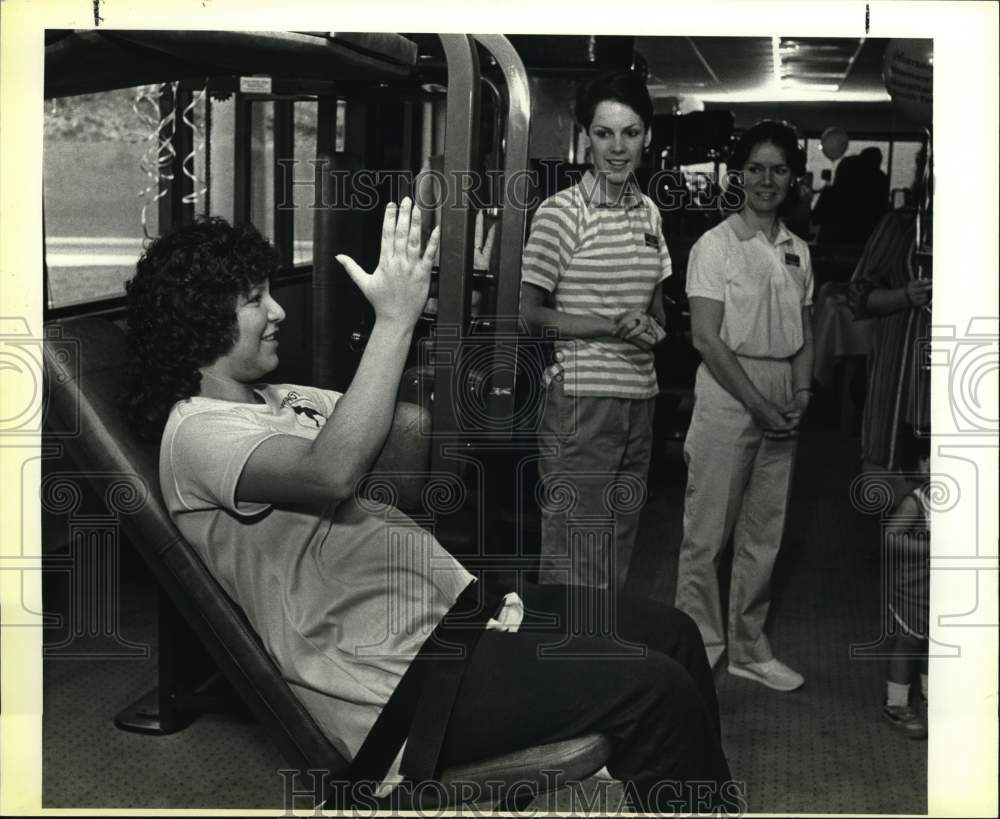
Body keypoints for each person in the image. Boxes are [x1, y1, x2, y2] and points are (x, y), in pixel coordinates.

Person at [122, 202, 734, 812]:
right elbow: (333, 472)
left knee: (672, 635)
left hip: (461, 620)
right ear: (202, 320)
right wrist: (394, 322)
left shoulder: (281, 397)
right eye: (255, 299)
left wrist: (413, 350)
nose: (278, 311)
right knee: (654, 691)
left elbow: (407, 442)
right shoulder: (198, 434)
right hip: (400, 683)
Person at [673, 120, 814, 691]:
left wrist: (802, 393)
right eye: (755, 168)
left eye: (778, 169)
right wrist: (757, 402)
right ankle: (696, 652)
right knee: (707, 534)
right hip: (731, 392)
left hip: (783, 389)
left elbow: (804, 331)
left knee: (765, 531)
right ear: (738, 175)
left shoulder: (798, 250)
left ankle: (748, 647)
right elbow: (707, 338)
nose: (766, 180)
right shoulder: (715, 245)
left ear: (793, 178)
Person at [520, 71, 671, 591]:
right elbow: (529, 313)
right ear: (586, 136)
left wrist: (648, 325)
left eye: (630, 133)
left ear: (647, 137)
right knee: (574, 543)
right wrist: (610, 327)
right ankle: (564, 663)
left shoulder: (650, 214)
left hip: (640, 397)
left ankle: (599, 655)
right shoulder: (560, 213)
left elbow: (658, 314)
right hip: (581, 398)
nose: (617, 147)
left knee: (618, 538)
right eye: (604, 133)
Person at [847, 150, 931, 503]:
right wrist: (905, 295)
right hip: (903, 369)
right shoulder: (902, 224)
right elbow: (860, 294)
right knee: (898, 484)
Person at [879, 427, 930, 740]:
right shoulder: (915, 503)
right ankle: (895, 703)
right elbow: (890, 537)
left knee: (934, 644)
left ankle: (930, 692)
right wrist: (927, 548)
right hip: (913, 589)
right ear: (921, 465)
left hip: (942, 590)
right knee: (909, 642)